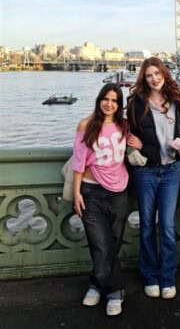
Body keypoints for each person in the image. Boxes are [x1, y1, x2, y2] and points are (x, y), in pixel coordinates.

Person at [126, 57, 180, 299]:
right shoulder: (136, 103)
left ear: (165, 74)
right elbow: (128, 134)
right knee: (146, 226)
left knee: (166, 225)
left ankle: (167, 277)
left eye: (157, 73)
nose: (153, 78)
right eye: (148, 75)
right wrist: (139, 143)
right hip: (145, 170)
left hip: (172, 170)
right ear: (143, 79)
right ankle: (149, 276)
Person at [72, 83, 129, 316]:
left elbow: (136, 147)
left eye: (115, 100)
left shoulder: (124, 126)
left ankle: (96, 284)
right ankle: (114, 291)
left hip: (119, 192)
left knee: (112, 243)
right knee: (100, 244)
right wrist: (76, 193)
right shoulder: (86, 125)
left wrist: (141, 144)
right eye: (106, 99)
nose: (109, 104)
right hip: (91, 192)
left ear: (119, 104)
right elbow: (78, 162)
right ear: (99, 100)